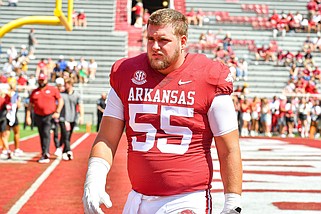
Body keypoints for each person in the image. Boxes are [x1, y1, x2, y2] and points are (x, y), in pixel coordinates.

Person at [83, 9, 242, 214]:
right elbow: (107, 137)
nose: (154, 47)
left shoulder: (209, 76)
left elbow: (228, 147)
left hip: (186, 201)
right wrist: (94, 179)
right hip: (138, 199)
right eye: (150, 39)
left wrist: (233, 203)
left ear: (183, 41)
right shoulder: (126, 73)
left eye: (163, 40)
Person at [26, 73, 63, 163]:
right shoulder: (35, 92)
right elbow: (30, 105)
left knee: (46, 133)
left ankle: (45, 153)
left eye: (43, 80)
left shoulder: (52, 89)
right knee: (41, 134)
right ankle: (44, 152)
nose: (41, 81)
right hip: (38, 116)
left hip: (49, 116)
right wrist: (28, 117)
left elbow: (60, 100)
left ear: (46, 80)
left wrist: (57, 111)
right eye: (40, 80)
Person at [59, 78, 83, 160]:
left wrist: (81, 116)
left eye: (66, 83)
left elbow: (80, 106)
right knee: (65, 135)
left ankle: (64, 151)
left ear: (70, 84)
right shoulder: (61, 94)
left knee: (68, 136)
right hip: (63, 118)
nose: (65, 85)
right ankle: (69, 151)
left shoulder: (77, 95)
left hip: (72, 118)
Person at [4, 82, 23, 157]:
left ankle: (6, 149)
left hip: (6, 115)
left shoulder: (5, 94)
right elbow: (18, 105)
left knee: (6, 133)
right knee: (16, 132)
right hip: (12, 115)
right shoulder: (15, 95)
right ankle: (16, 149)